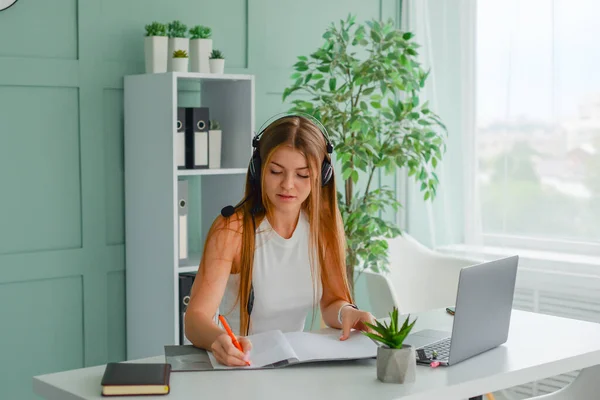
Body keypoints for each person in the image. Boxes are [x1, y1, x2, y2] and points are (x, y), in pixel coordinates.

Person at [184, 114, 376, 367]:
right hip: (238, 365)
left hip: (292, 365)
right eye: (276, 171)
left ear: (322, 176)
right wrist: (218, 339)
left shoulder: (323, 226)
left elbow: (331, 303)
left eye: (302, 175)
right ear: (258, 169)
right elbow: (196, 318)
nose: (288, 185)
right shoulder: (232, 230)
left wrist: (348, 312)